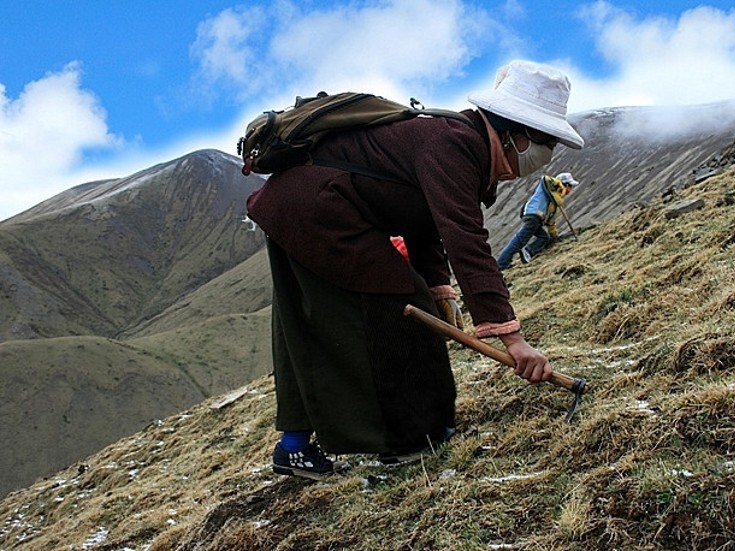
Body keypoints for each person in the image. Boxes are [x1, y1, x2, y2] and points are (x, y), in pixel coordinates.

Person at [245, 60, 584, 479]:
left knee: (310, 321)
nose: (545, 156)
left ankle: (294, 447)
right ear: (517, 134)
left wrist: (442, 290)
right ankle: (409, 439)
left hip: (298, 205)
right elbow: (464, 237)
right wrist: (509, 336)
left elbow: (423, 221)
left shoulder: (457, 141)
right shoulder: (455, 143)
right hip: (315, 209)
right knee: (400, 309)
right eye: (545, 142)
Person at [496, 172, 579, 269]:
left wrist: (555, 237)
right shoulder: (549, 187)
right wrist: (560, 186)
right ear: (566, 185)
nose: (571, 190)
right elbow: (546, 179)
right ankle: (501, 264)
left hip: (537, 219)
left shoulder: (556, 202)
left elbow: (550, 223)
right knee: (519, 241)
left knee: (544, 237)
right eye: (570, 186)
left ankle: (528, 251)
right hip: (533, 214)